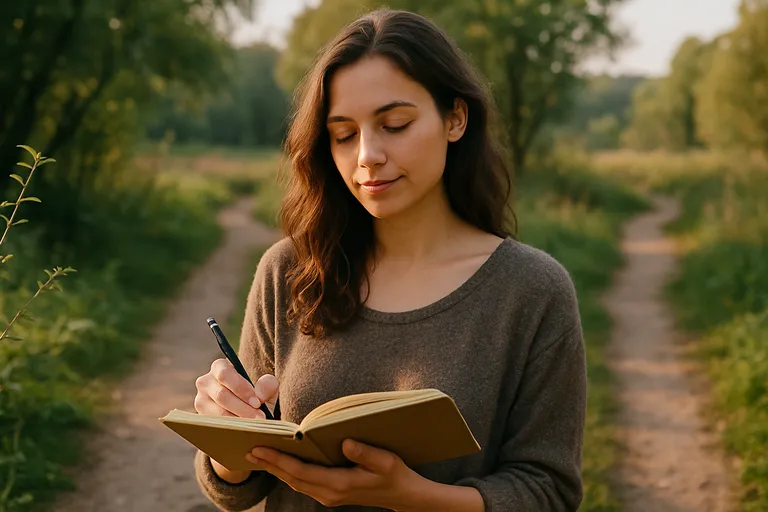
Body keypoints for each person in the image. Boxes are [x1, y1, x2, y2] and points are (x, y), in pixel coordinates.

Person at [192, 7, 586, 512]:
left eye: (394, 124)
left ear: (456, 119)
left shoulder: (532, 291)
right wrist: (227, 445)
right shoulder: (289, 270)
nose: (367, 155)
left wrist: (414, 498)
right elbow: (236, 487)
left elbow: (549, 492)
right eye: (343, 134)